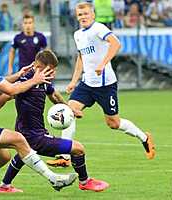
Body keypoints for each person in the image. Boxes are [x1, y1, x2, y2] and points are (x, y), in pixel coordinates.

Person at [0, 29, 77, 196]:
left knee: (4, 157)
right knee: (18, 138)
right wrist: (34, 80)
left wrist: (20, 74)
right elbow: (11, 90)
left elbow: (1, 81)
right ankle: (54, 179)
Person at [0, 49, 109, 193]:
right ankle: (85, 182)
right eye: (51, 70)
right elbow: (5, 96)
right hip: (35, 136)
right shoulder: (26, 81)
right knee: (78, 149)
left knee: (24, 153)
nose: (54, 74)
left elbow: (54, 95)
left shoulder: (43, 81)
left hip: (28, 133)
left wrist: (69, 109)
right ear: (38, 67)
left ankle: (4, 186)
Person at [47, 2, 155, 167]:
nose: (83, 17)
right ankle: (64, 156)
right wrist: (74, 81)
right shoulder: (78, 35)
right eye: (80, 15)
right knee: (68, 111)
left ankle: (145, 138)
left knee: (114, 123)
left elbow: (116, 43)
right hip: (86, 84)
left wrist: (103, 63)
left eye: (86, 14)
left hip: (106, 86)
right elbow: (81, 58)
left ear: (93, 15)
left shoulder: (99, 28)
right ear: (77, 17)